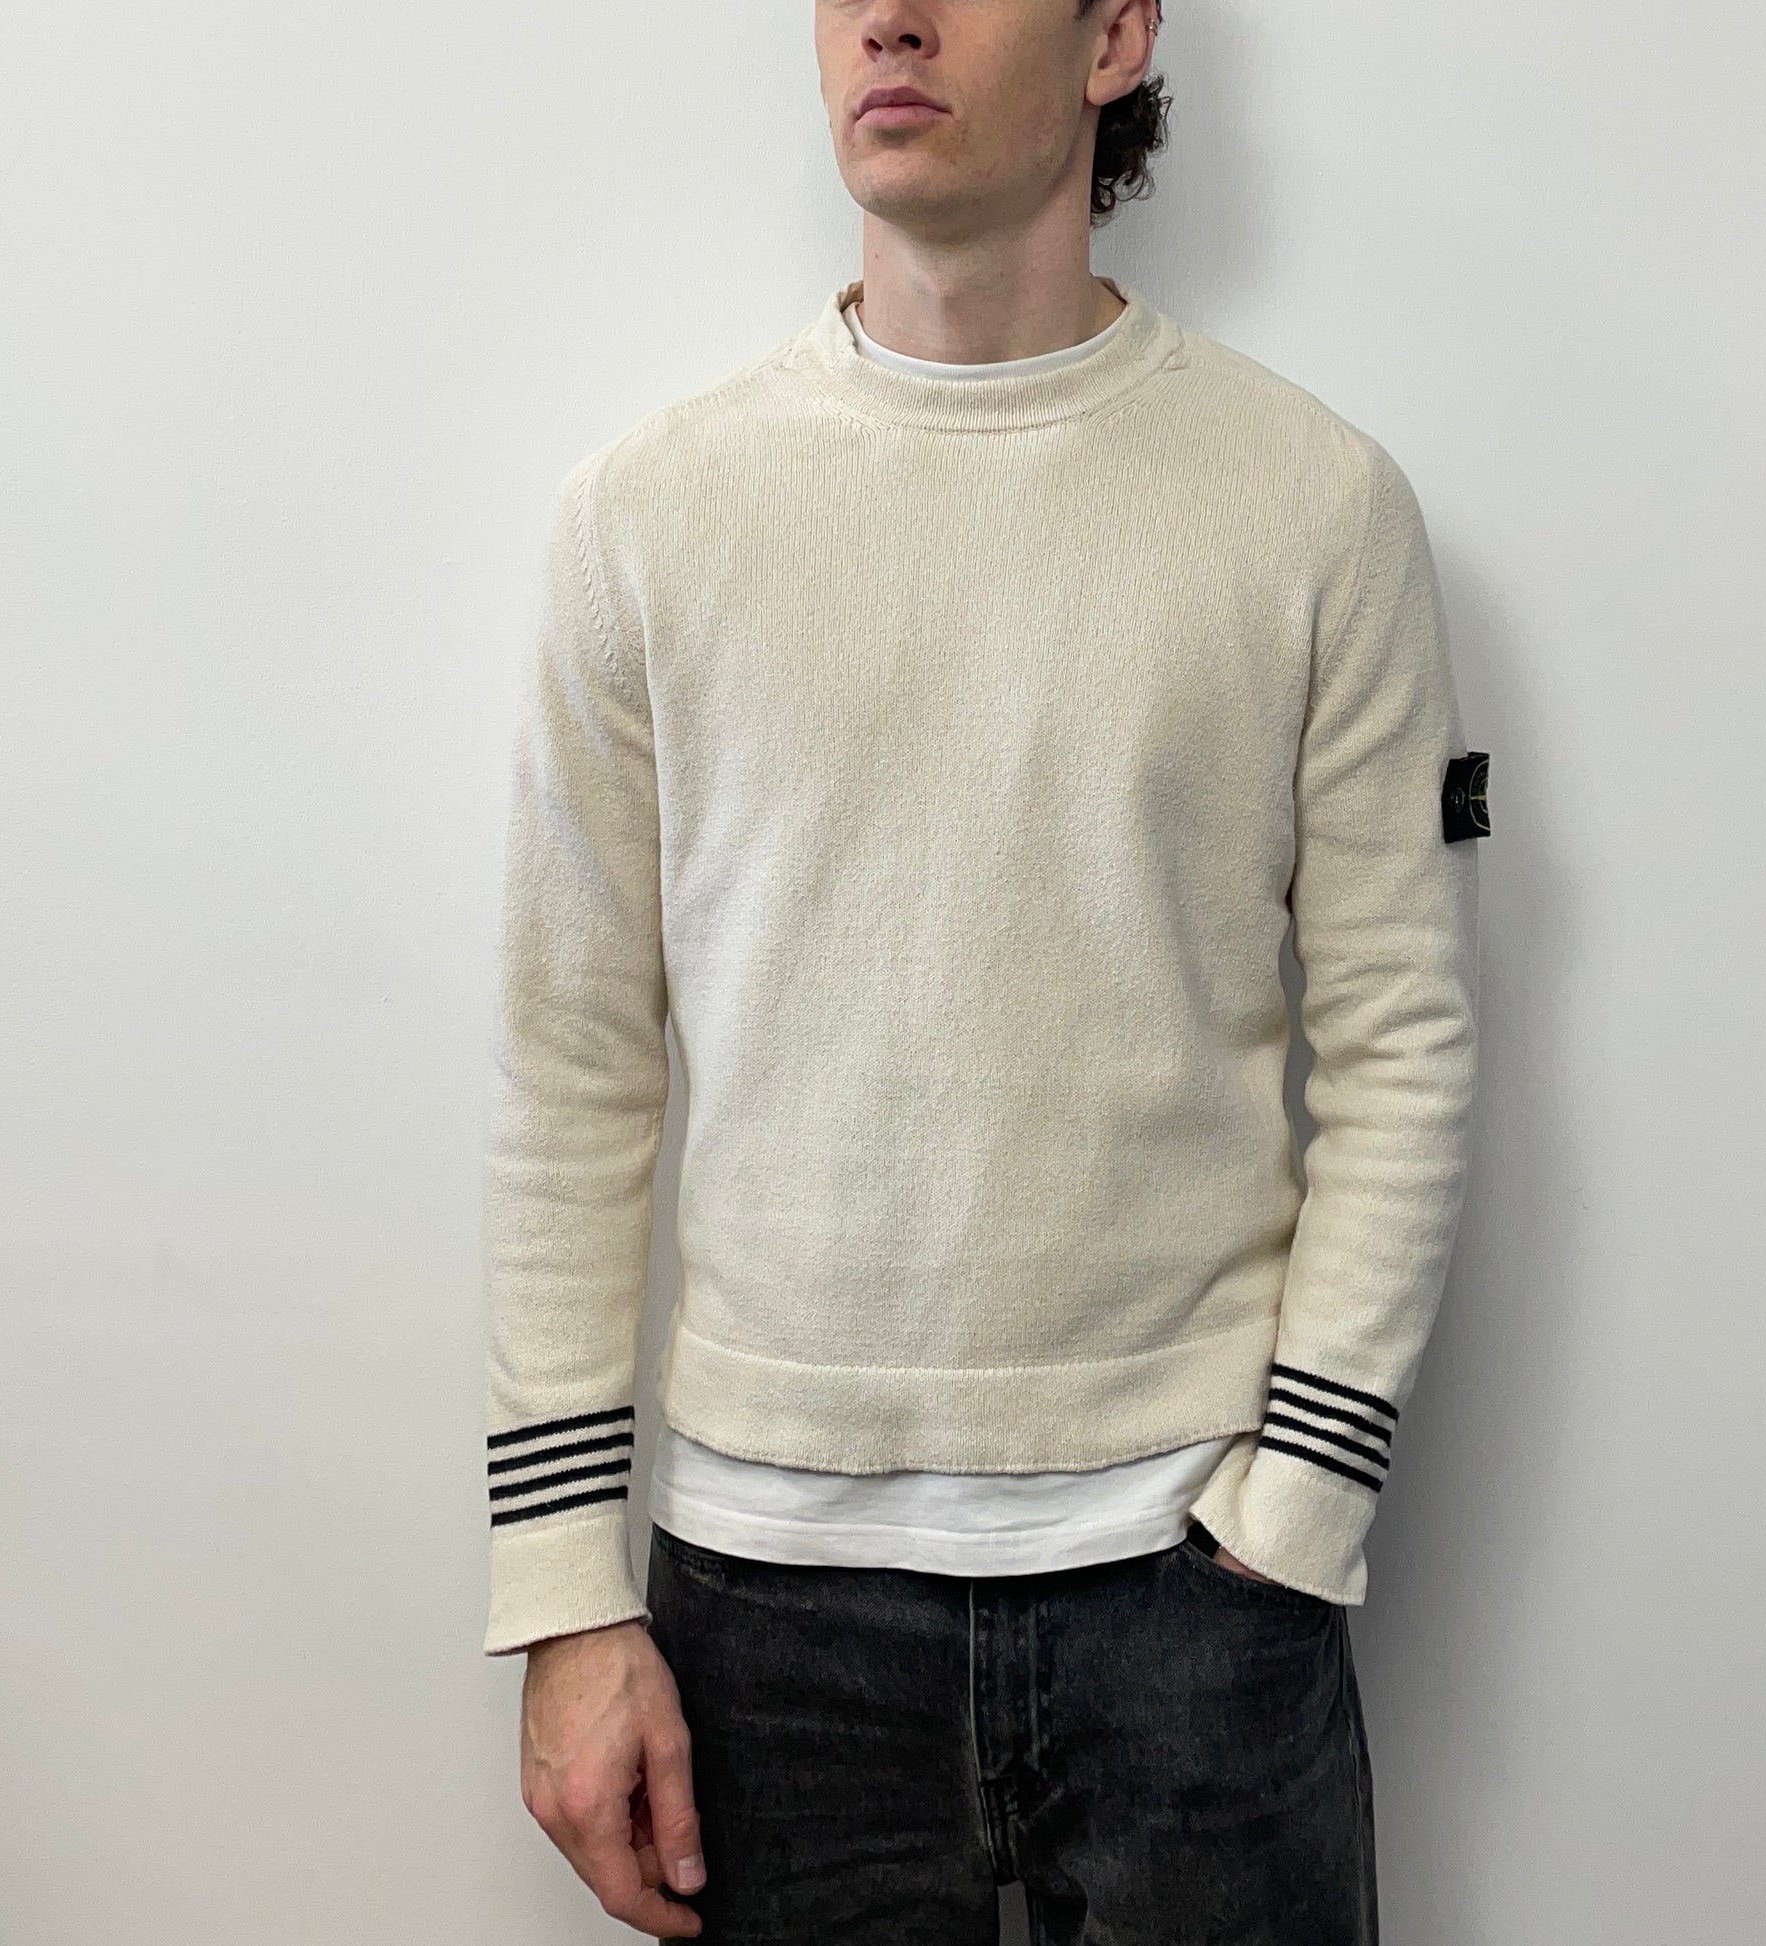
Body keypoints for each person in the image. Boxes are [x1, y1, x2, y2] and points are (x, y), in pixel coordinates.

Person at [480, 3, 1485, 1939]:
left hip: (1198, 1588)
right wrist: (562, 1591)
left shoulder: (1313, 506)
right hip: (766, 1610)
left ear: (1114, 34)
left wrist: (1295, 1512)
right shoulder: (647, 521)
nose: (885, 16)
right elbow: (569, 1072)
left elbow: (1402, 1046)